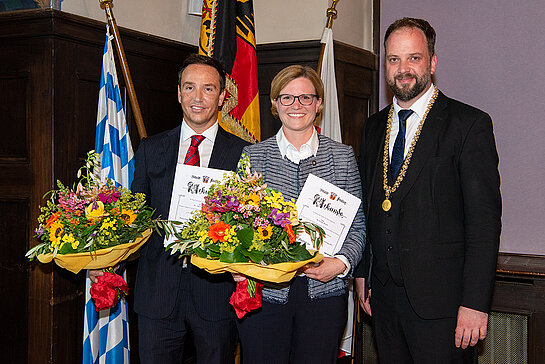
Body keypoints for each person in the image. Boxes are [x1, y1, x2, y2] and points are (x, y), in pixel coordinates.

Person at [354, 17, 501, 364]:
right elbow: (366, 208)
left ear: (432, 63)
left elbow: (483, 224)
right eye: (393, 59)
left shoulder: (469, 125)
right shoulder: (374, 127)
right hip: (384, 302)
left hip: (446, 309)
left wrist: (476, 304)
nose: (403, 69)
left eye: (413, 58)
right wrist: (362, 273)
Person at [92, 54, 250, 363]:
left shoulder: (243, 153)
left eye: (208, 89)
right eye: (189, 88)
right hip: (157, 291)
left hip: (215, 294)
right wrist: (105, 257)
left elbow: (249, 221)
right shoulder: (152, 148)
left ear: (221, 97)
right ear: (178, 93)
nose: (198, 98)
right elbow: (134, 215)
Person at [235, 65, 365, 364]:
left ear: (318, 104)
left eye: (306, 98)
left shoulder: (343, 156)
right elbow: (235, 224)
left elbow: (358, 227)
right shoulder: (253, 156)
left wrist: (341, 263)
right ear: (275, 104)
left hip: (324, 294)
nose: (296, 106)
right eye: (287, 98)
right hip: (264, 296)